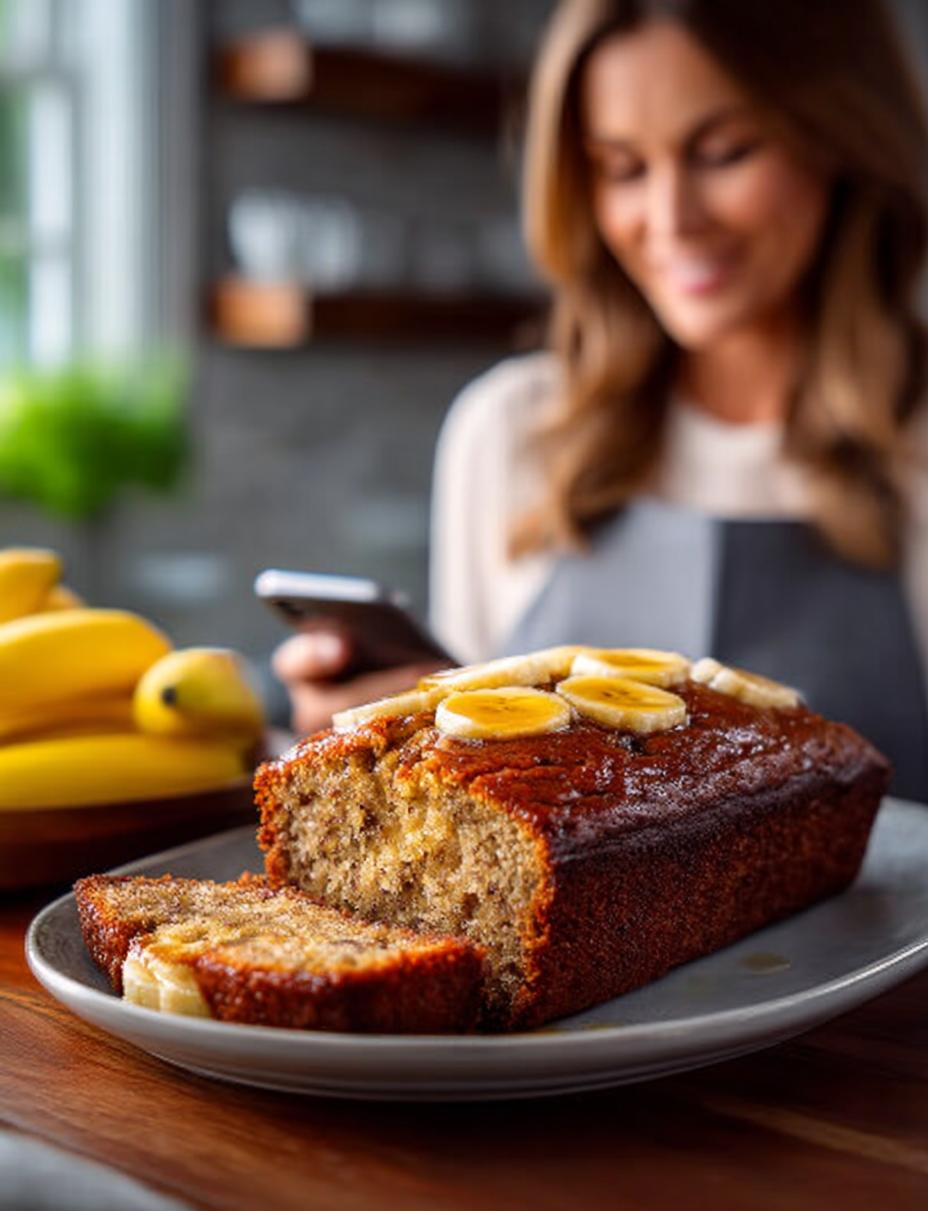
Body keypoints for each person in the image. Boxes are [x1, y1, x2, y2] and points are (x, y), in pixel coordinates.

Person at [274, 0, 928, 800]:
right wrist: (396, 731)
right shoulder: (509, 431)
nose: (670, 219)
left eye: (724, 152)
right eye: (622, 168)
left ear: (844, 138)